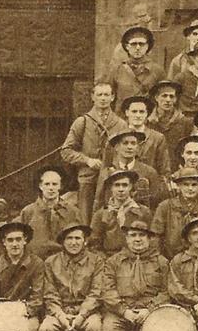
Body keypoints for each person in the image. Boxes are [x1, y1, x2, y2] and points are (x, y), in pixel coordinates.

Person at [98, 216, 169, 331]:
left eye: (142, 235)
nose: (137, 239)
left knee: (163, 330)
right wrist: (124, 311)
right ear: (127, 238)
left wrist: (150, 310)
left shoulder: (161, 261)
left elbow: (167, 291)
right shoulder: (114, 262)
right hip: (122, 311)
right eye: (133, 235)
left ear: (149, 238)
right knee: (108, 330)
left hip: (151, 311)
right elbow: (107, 290)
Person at [34, 223, 104, 331]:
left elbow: (96, 292)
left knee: (95, 328)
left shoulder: (96, 261)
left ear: (85, 241)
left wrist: (81, 315)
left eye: (78, 238)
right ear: (63, 242)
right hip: (60, 311)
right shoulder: (51, 263)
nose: (74, 242)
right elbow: (49, 293)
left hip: (87, 311)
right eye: (69, 238)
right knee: (45, 329)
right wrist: (60, 315)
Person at [60, 81, 127, 223]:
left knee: (110, 217)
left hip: (112, 177)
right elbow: (66, 151)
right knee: (86, 217)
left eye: (106, 95)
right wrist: (87, 160)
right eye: (99, 94)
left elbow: (126, 151)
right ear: (93, 97)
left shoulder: (121, 124)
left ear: (113, 97)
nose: (103, 98)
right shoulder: (82, 122)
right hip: (88, 178)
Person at [15, 166, 83, 259]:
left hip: (64, 263)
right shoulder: (28, 212)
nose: (51, 188)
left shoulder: (73, 212)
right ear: (40, 186)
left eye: (54, 184)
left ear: (60, 186)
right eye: (47, 184)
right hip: (36, 264)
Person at [151, 168, 198, 259]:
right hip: (170, 259)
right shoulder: (165, 207)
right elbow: (155, 237)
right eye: (186, 184)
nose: (190, 188)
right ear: (179, 186)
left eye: (194, 185)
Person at [89, 170, 152, 254]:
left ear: (130, 187)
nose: (121, 189)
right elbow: (94, 245)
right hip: (110, 259)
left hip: (136, 258)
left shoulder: (143, 212)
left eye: (124, 185)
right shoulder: (101, 214)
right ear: (111, 187)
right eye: (117, 185)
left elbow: (152, 240)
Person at [114, 95, 171, 175]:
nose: (138, 115)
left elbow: (164, 170)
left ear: (147, 114)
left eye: (141, 112)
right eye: (134, 111)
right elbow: (107, 168)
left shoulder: (157, 138)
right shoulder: (116, 136)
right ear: (127, 113)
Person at [104, 26, 164, 101]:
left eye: (141, 44)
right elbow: (107, 97)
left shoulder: (157, 71)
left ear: (147, 46)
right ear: (127, 46)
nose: (138, 47)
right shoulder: (117, 70)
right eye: (133, 44)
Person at [148, 80, 190, 170]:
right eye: (164, 96)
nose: (168, 100)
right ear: (156, 97)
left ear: (175, 99)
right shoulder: (148, 122)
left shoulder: (185, 122)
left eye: (172, 97)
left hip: (177, 168)